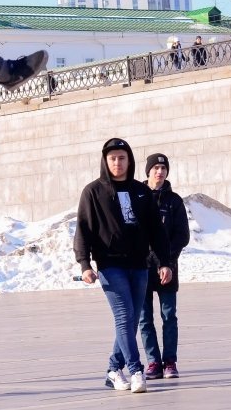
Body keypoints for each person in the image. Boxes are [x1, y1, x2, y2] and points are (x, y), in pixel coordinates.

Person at [74, 138, 172, 394]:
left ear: (129, 160)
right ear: (105, 162)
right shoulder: (93, 192)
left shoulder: (141, 192)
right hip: (110, 265)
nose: (117, 163)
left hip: (139, 264)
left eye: (122, 158)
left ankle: (112, 369)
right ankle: (136, 370)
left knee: (130, 319)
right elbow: (83, 229)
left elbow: (156, 231)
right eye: (112, 158)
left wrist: (164, 261)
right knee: (124, 316)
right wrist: (85, 264)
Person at [138, 153, 190, 381]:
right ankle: (152, 362)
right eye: (156, 168)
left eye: (163, 168)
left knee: (169, 316)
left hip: (167, 268)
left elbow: (182, 235)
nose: (160, 172)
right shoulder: (136, 196)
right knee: (144, 318)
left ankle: (169, 361)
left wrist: (167, 261)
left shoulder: (174, 201)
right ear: (148, 170)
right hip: (140, 268)